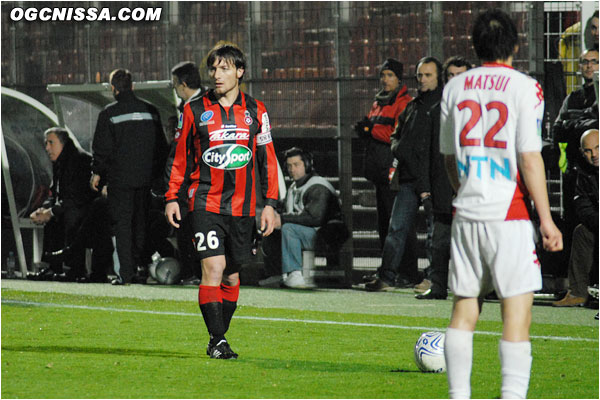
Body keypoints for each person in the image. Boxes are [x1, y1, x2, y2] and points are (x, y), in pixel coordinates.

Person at [440, 10, 563, 399]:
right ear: (515, 45)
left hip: (467, 212)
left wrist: (465, 190)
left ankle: (459, 395)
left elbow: (448, 157)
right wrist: (546, 219)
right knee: (516, 310)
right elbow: (529, 157)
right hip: (508, 215)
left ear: (476, 46)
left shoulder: (454, 88)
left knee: (464, 308)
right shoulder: (526, 87)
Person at [164, 44, 278, 359]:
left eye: (225, 68)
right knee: (213, 266)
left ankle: (219, 337)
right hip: (204, 202)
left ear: (240, 72)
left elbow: (267, 159)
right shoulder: (194, 109)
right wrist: (172, 196)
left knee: (232, 274)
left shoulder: (257, 111)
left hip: (243, 207)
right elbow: (179, 158)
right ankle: (218, 340)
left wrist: (269, 203)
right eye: (214, 68)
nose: (217, 75)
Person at [365, 56, 443, 292]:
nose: (423, 79)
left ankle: (433, 278)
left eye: (428, 75)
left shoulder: (443, 106)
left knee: (433, 233)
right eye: (420, 75)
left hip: (433, 177)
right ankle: (387, 277)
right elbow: (396, 137)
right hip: (410, 177)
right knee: (396, 228)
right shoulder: (414, 105)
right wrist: (401, 148)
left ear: (438, 78)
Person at [91, 68, 168, 285]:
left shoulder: (109, 114)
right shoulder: (151, 111)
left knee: (122, 225)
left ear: (113, 88)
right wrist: (156, 176)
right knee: (140, 224)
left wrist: (97, 173)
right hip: (145, 180)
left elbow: (102, 149)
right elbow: (160, 147)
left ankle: (127, 273)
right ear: (132, 86)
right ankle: (141, 266)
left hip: (120, 180)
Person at [416, 56, 473, 300]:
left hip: (472, 190)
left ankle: (475, 288)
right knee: (439, 243)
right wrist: (425, 190)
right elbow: (425, 153)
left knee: (472, 242)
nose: (455, 80)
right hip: (442, 189)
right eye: (451, 75)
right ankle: (438, 286)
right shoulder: (436, 111)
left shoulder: (480, 110)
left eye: (460, 75)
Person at [29, 127, 111, 282]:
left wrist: (51, 211)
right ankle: (53, 267)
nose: (47, 148)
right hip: (72, 207)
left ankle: (74, 268)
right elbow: (55, 192)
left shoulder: (79, 160)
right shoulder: (61, 162)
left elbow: (76, 197)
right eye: (46, 143)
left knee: (70, 216)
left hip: (86, 210)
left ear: (63, 142)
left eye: (51, 143)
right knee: (54, 219)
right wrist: (45, 209)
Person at [259, 147, 343, 288]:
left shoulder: (318, 186)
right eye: (289, 166)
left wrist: (283, 219)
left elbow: (315, 218)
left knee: (289, 228)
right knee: (271, 228)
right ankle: (276, 274)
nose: (292, 169)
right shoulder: (293, 187)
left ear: (308, 165)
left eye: (296, 165)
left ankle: (294, 273)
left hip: (328, 235)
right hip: (309, 234)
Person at [354, 58, 412, 248]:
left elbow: (398, 134)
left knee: (395, 223)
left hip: (393, 172)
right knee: (383, 223)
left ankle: (400, 271)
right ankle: (387, 268)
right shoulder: (379, 102)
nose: (385, 80)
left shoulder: (404, 103)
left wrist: (370, 131)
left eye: (390, 75)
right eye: (383, 75)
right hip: (380, 171)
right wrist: (365, 131)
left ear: (399, 79)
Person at [551, 48, 598, 282]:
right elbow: (558, 129)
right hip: (576, 173)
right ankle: (576, 285)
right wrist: (587, 119)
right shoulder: (573, 97)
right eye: (584, 62)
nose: (589, 66)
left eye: (594, 62)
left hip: (594, 173)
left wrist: (575, 120)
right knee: (574, 226)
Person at [553, 129, 599, 307]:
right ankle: (578, 293)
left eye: (597, 148)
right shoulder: (583, 174)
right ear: (582, 152)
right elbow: (583, 208)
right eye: (588, 150)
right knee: (582, 232)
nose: (593, 154)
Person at [170, 61, 205, 285]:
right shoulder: (210, 102)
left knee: (189, 229)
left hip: (194, 182)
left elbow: (180, 152)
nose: (174, 89)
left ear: (183, 85)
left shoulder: (193, 108)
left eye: (174, 84)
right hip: (202, 181)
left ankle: (194, 274)